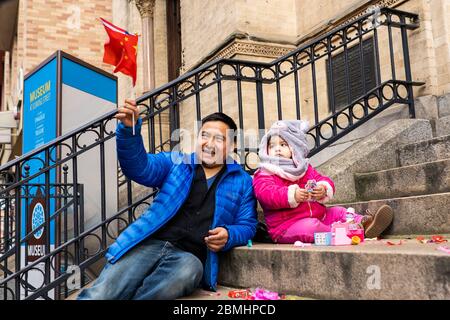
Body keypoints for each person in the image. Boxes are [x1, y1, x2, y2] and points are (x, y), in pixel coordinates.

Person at [77, 99, 257, 300]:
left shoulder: (242, 181)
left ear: (232, 146)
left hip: (189, 257)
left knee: (187, 273)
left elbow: (248, 224)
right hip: (149, 243)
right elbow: (140, 168)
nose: (209, 143)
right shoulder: (175, 162)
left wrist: (229, 234)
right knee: (101, 294)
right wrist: (130, 131)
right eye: (204, 135)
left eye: (219, 138)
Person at [252, 120, 394, 244]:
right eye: (271, 146)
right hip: (286, 226)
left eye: (283, 144)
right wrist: (291, 194)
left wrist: (323, 189)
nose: (277, 148)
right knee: (311, 227)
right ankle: (344, 232)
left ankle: (364, 223)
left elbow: (322, 179)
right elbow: (266, 194)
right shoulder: (265, 172)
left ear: (294, 148)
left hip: (321, 216)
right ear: (266, 149)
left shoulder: (304, 169)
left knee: (338, 212)